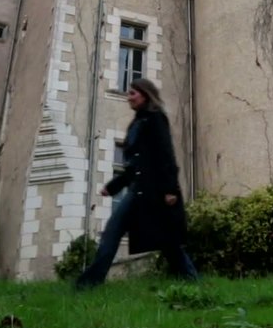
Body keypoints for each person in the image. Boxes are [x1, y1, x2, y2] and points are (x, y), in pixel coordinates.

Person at [75, 78, 198, 289]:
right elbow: (134, 165)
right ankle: (90, 283)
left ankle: (193, 282)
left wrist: (170, 189)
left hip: (156, 191)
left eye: (133, 93)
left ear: (145, 95)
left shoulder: (156, 119)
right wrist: (114, 186)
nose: (128, 97)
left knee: (169, 243)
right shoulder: (136, 124)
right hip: (137, 191)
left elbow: (166, 154)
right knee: (113, 232)